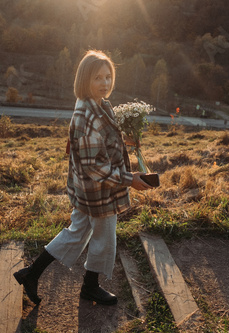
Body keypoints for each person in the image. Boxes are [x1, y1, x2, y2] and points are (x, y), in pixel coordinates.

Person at [13, 50, 153, 306]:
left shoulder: (100, 105)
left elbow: (101, 145)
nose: (105, 83)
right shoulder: (86, 115)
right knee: (104, 238)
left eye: (108, 77)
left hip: (89, 190)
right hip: (98, 191)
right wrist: (129, 178)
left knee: (77, 232)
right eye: (97, 78)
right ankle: (90, 286)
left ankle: (31, 274)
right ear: (84, 80)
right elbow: (93, 167)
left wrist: (125, 141)